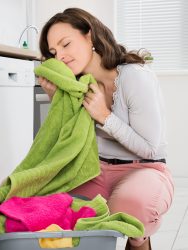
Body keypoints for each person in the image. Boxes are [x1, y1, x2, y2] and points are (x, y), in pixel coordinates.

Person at [38, 8, 174, 250]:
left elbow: (150, 149)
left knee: (130, 208)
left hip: (144, 168)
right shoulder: (76, 85)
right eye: (54, 52)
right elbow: (69, 143)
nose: (61, 56)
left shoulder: (134, 77)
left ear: (89, 36)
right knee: (52, 208)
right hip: (94, 169)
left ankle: (138, 240)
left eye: (66, 44)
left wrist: (104, 116)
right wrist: (56, 100)